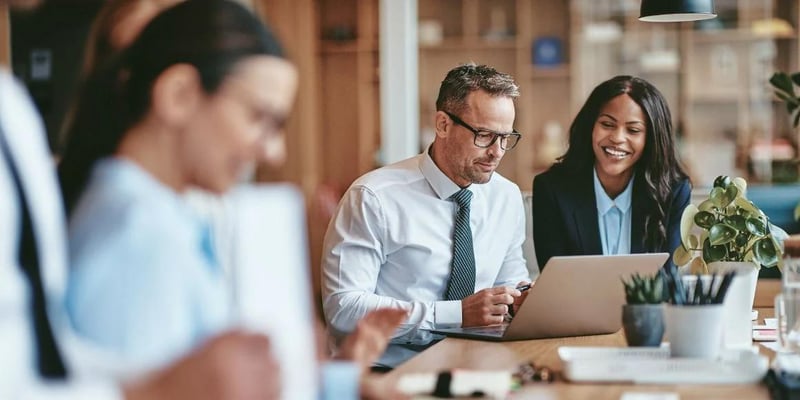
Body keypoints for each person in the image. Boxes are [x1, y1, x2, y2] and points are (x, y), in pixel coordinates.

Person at [0, 0, 283, 398]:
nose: (275, 152)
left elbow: (45, 357)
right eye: (259, 117)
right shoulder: (137, 236)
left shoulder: (13, 113)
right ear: (176, 92)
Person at [321, 63, 532, 368]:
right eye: (484, 135)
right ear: (443, 125)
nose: (497, 151)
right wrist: (455, 315)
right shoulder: (374, 197)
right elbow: (343, 309)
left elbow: (509, 280)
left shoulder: (506, 196)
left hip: (477, 368)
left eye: (506, 137)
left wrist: (523, 298)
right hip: (387, 372)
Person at [532, 75, 691, 270]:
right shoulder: (551, 190)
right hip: (578, 302)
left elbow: (668, 280)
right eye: (607, 125)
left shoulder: (673, 192)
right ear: (590, 126)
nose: (617, 138)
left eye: (633, 130)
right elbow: (555, 281)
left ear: (651, 139)